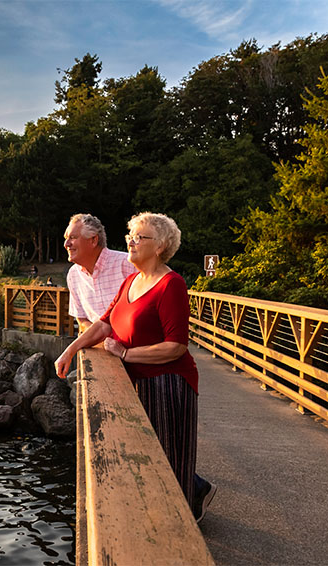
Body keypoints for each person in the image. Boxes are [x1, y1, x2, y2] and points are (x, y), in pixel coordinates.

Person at [55, 212, 217, 523]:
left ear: (160, 247)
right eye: (131, 235)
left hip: (168, 383)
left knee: (170, 463)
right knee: (145, 457)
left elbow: (176, 346)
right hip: (135, 381)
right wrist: (71, 349)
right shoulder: (131, 280)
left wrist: (126, 354)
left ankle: (179, 527)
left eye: (139, 237)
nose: (131, 241)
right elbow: (103, 324)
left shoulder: (171, 284)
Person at [64, 213, 137, 333]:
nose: (66, 244)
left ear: (93, 240)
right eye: (66, 238)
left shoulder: (128, 264)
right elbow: (82, 320)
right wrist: (102, 337)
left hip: (133, 346)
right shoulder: (73, 275)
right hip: (99, 347)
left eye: (73, 237)